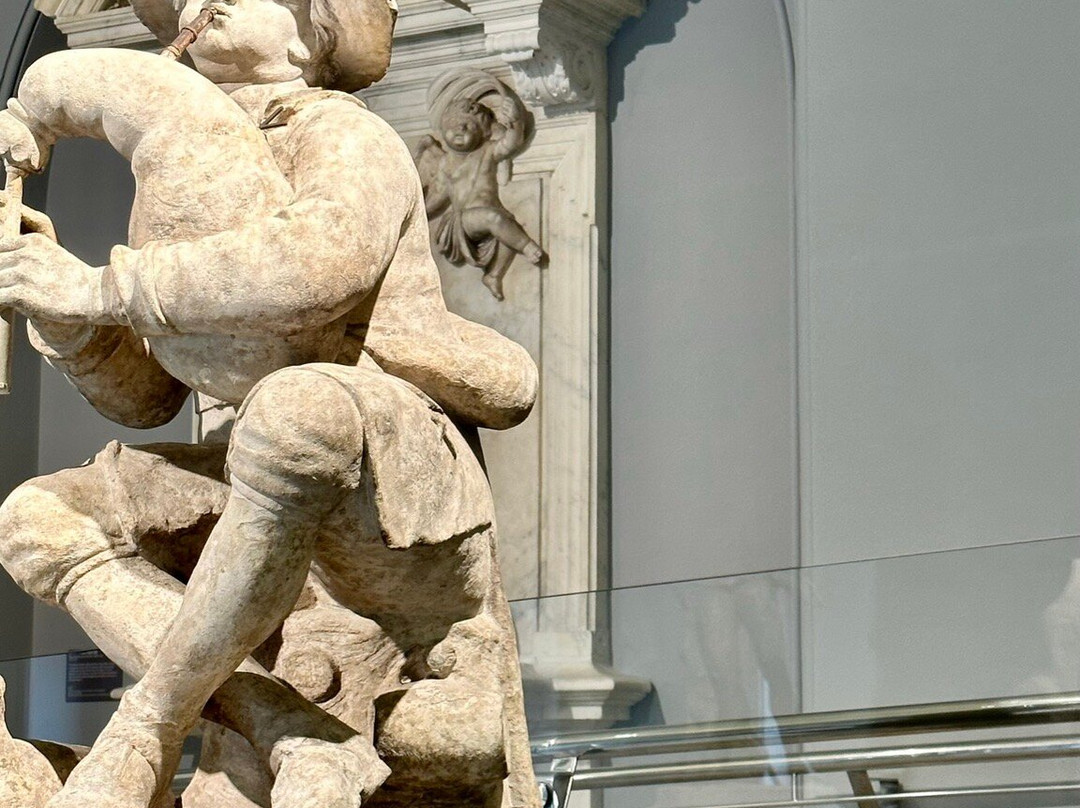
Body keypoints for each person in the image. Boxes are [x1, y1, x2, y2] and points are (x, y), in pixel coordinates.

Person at [0, 1, 540, 807]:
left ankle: (149, 723)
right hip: (248, 464)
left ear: (308, 38)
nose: (201, 2)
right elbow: (149, 398)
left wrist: (103, 289)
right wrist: (62, 312)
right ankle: (290, 729)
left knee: (293, 409)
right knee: (37, 518)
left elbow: (318, 267)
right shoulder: (182, 147)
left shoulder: (341, 133)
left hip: (379, 452)